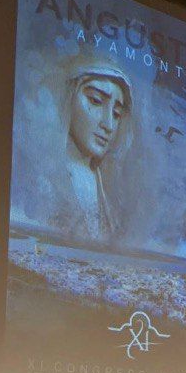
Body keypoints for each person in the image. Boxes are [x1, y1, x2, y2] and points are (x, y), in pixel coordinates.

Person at [50, 54, 135, 242]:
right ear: (69, 96)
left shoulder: (104, 188)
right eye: (96, 101)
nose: (109, 124)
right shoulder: (41, 178)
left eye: (116, 113)